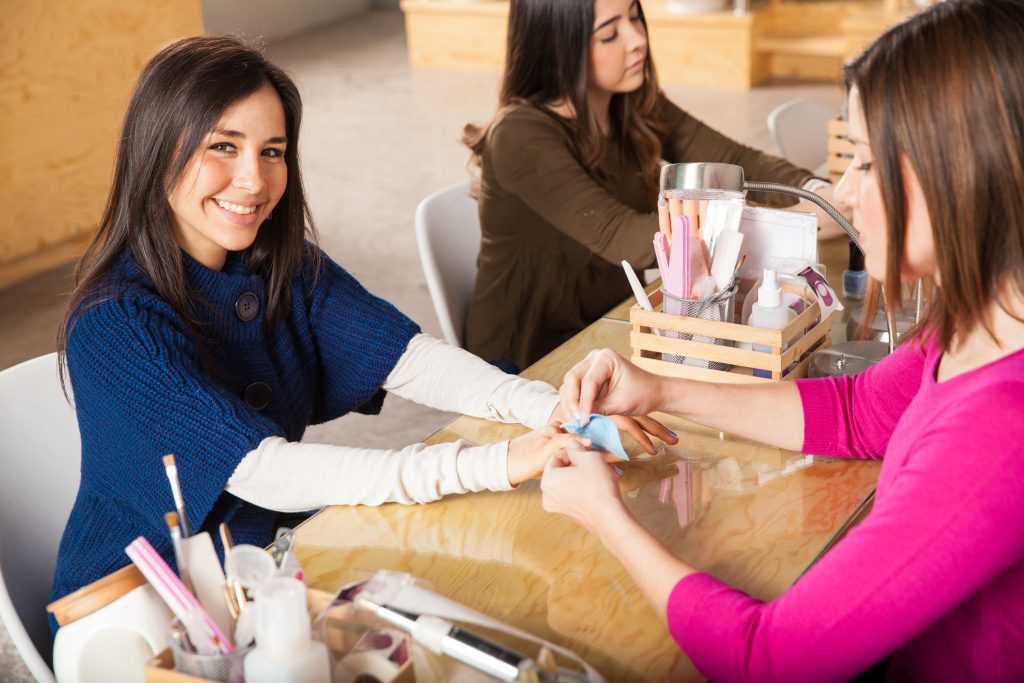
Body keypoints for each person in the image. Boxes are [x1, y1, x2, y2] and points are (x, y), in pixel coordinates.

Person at [50, 36, 675, 617]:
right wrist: (494, 462)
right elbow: (261, 469)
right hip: (144, 612)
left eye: (273, 151)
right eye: (223, 146)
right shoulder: (114, 325)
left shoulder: (280, 263)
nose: (254, 179)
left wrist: (561, 415)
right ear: (157, 149)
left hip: (265, 573)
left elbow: (412, 359)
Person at [541, 0, 1024, 680]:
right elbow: (859, 413)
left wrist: (605, 516)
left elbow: (769, 659)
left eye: (864, 163)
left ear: (959, 173)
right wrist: (661, 387)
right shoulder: (980, 315)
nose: (848, 195)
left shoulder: (1001, 428)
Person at [462, 0, 847, 373]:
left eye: (634, 17)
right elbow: (628, 236)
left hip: (614, 325)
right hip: (526, 360)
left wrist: (818, 192)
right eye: (610, 34)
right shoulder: (519, 135)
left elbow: (734, 161)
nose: (637, 39)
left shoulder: (628, 100)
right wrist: (794, 220)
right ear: (558, 47)